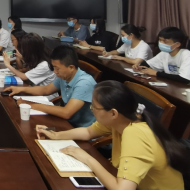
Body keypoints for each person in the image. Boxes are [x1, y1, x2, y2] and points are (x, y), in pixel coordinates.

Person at [36, 81, 188, 190]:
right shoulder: (122, 119)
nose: (92, 110)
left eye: (94, 107)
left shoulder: (135, 133)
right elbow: (88, 132)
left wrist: (87, 159)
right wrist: (56, 135)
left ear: (113, 113)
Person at [4, 45, 96, 128]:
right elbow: (45, 90)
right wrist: (19, 89)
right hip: (68, 123)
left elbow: (66, 112)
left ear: (71, 67)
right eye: (53, 67)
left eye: (57, 68)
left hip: (83, 129)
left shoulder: (84, 83)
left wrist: (30, 105)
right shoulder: (65, 76)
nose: (55, 72)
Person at [2, 33, 58, 100]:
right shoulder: (40, 57)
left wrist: (8, 65)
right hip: (36, 90)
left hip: (46, 97)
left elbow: (24, 77)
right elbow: (27, 68)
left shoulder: (44, 65)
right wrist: (22, 58)